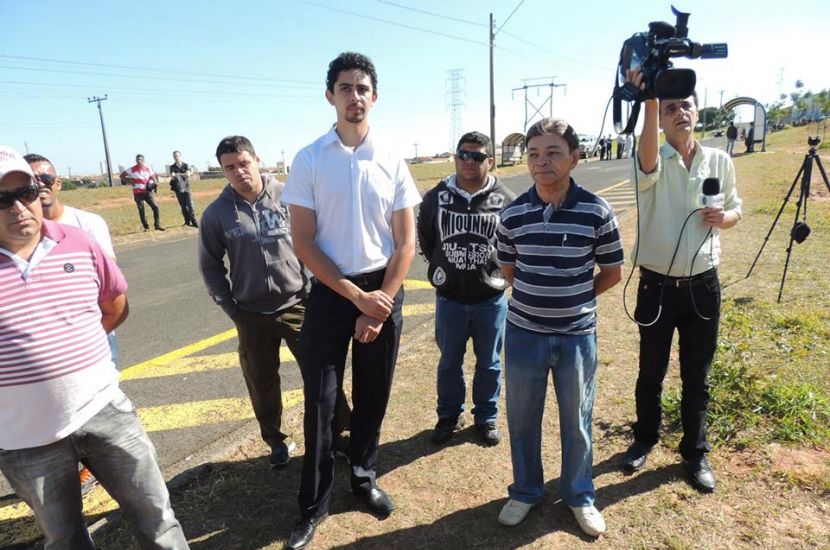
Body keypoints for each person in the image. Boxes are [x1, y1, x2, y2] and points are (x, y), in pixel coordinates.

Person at [0, 145, 188, 550]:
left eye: (26, 192)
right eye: (2, 199)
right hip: (26, 438)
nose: (18, 207)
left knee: (158, 521)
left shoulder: (79, 242)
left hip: (104, 412)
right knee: (65, 539)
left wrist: (72, 351)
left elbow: (114, 305)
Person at [282, 51, 421, 550]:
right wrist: (356, 297)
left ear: (374, 97)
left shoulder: (392, 159)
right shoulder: (309, 159)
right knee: (321, 402)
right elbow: (304, 242)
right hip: (331, 292)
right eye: (345, 88)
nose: (354, 97)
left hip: (383, 291)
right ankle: (312, 505)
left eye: (363, 89)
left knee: (373, 394)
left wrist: (380, 301)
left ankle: (363, 477)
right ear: (330, 96)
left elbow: (405, 243)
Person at [495, 119, 623, 537]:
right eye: (534, 154)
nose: (541, 161)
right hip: (524, 334)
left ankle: (580, 494)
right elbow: (510, 270)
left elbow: (612, 272)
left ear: (574, 158)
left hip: (576, 337)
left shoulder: (596, 210)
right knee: (522, 418)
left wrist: (576, 297)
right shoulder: (512, 213)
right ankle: (526, 491)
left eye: (553, 152)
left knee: (577, 420)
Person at [621, 70, 742, 494]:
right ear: (660, 119)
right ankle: (644, 438)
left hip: (703, 286)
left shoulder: (719, 161)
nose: (680, 113)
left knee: (697, 376)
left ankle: (695, 452)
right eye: (670, 108)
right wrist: (650, 97)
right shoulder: (651, 159)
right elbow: (647, 158)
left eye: (686, 105)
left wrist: (724, 217)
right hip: (656, 286)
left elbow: (736, 209)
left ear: (697, 111)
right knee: (650, 371)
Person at [198, 135, 350, 469]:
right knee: (261, 382)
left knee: (322, 372)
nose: (239, 171)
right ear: (223, 171)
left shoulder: (290, 195)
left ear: (257, 161)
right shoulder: (217, 214)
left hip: (299, 304)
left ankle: (340, 434)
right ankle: (277, 440)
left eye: (243, 163)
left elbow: (320, 240)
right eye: (229, 167)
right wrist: (231, 308)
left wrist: (319, 287)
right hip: (250, 314)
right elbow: (210, 266)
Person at [25, 152, 120, 497]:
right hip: (41, 343)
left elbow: (110, 287)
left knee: (99, 407)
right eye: (30, 182)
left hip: (92, 334)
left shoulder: (88, 223)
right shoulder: (17, 232)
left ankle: (97, 469)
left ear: (58, 183)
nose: (40, 186)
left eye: (45, 179)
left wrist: (89, 334)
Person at [416, 131, 515, 447]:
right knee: (449, 363)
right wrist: (444, 265)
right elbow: (426, 239)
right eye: (462, 155)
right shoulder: (436, 196)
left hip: (491, 299)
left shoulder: (506, 199)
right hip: (450, 299)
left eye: (477, 156)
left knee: (490, 363)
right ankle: (449, 416)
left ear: (490, 161)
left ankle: (486, 417)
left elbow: (514, 246)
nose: (468, 161)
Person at [121, 154, 164, 231]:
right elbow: (122, 175)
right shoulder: (132, 169)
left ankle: (157, 225)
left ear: (143, 160)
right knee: (141, 209)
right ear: (135, 160)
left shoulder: (148, 168)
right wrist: (129, 181)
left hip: (147, 192)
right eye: (137, 159)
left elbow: (153, 177)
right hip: (138, 192)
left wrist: (153, 183)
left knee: (155, 207)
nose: (139, 161)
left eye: (141, 159)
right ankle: (146, 227)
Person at [169, 150, 198, 227]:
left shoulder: (186, 165)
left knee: (190, 205)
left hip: (187, 187)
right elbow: (172, 175)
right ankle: (187, 222)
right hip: (178, 188)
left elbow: (188, 174)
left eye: (178, 156)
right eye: (175, 156)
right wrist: (181, 174)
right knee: (183, 206)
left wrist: (178, 174)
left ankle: (194, 221)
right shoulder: (172, 167)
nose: (176, 157)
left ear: (181, 156)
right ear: (173, 157)